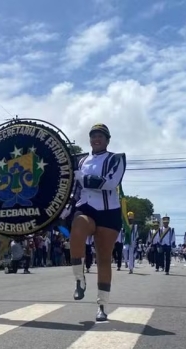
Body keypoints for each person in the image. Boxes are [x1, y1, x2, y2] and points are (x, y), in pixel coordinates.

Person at [60, 123, 126, 322]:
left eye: (100, 136)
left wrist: (84, 178)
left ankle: (102, 306)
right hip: (85, 207)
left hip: (109, 211)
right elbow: (73, 187)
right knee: (77, 229)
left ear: (107, 139)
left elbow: (110, 182)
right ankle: (79, 279)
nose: (96, 139)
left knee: (104, 259)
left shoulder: (117, 158)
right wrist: (67, 205)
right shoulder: (79, 161)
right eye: (93, 136)